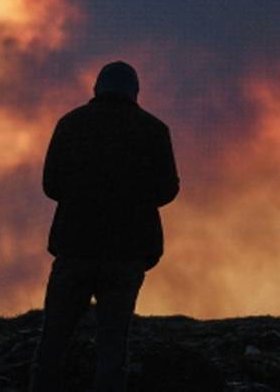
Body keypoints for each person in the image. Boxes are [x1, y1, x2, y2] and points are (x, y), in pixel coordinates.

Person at [31, 61, 180, 392]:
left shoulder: (70, 125)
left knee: (53, 342)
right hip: (127, 254)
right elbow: (167, 190)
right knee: (113, 348)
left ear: (96, 88)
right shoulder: (154, 130)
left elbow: (51, 185)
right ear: (135, 93)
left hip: (74, 248)